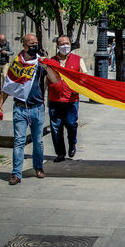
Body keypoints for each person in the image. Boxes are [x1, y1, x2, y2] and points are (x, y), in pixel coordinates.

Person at [0, 33, 60, 185]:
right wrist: (0, 105)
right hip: (20, 108)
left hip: (37, 108)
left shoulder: (40, 62)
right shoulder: (17, 63)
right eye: (31, 43)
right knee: (19, 141)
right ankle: (16, 174)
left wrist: (47, 67)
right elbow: (8, 87)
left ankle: (38, 167)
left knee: (38, 141)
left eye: (36, 42)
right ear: (24, 45)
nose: (34, 45)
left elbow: (56, 80)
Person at [47, 35, 88, 163]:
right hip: (55, 99)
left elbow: (84, 77)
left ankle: (72, 143)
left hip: (71, 100)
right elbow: (45, 79)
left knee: (71, 124)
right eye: (62, 43)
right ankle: (60, 153)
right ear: (57, 46)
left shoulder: (78, 60)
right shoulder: (51, 61)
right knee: (56, 127)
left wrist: (79, 88)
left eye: (67, 43)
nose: (65, 46)